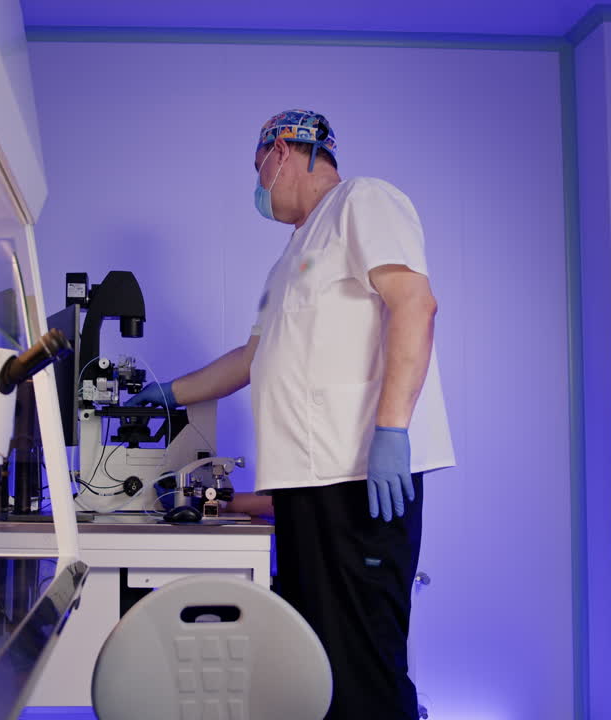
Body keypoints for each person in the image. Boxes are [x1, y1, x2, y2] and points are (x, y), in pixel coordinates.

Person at [128, 108, 455, 719]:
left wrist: (391, 429)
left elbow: (414, 303)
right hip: (310, 489)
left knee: (366, 663)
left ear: (284, 150)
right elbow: (253, 358)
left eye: (259, 170)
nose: (258, 186)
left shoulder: (364, 200)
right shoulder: (290, 258)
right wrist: (171, 392)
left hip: (361, 478)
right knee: (316, 661)